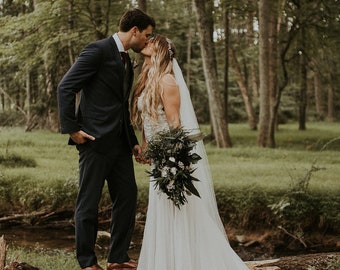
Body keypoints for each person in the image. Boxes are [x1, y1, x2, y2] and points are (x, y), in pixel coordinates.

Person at [130, 34, 249, 270]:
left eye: (152, 41)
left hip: (170, 157)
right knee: (161, 209)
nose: (147, 43)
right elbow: (149, 119)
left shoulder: (167, 81)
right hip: (158, 156)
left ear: (161, 50)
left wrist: (175, 161)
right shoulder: (149, 79)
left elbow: (175, 124)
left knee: (178, 209)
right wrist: (145, 146)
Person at [57, 9, 155, 270]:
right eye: (146, 35)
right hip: (94, 141)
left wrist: (132, 140)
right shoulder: (97, 50)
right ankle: (87, 262)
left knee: (127, 197)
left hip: (120, 144)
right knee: (88, 203)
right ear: (134, 30)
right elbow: (66, 87)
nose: (147, 41)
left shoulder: (126, 60)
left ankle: (118, 258)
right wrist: (72, 129)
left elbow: (120, 106)